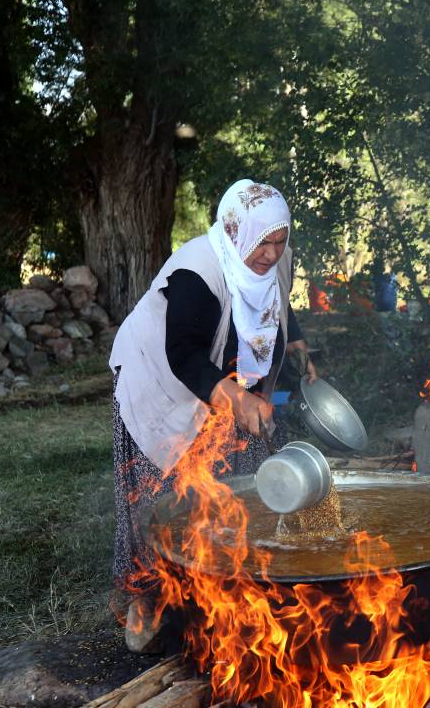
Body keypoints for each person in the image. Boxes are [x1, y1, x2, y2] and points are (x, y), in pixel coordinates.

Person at [107, 178, 317, 599]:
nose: (272, 253)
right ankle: (146, 596)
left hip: (223, 376)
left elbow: (277, 298)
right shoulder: (197, 272)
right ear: (238, 232)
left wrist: (293, 340)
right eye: (264, 243)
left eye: (280, 240)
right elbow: (183, 355)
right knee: (165, 495)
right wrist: (237, 397)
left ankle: (230, 580)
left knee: (238, 482)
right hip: (160, 377)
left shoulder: (277, 259)